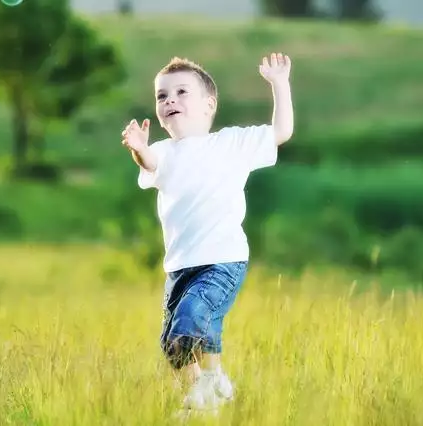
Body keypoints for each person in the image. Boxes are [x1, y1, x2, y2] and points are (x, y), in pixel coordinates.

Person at [121, 53, 294, 412]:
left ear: (208, 104)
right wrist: (139, 149)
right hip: (180, 266)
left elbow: (281, 132)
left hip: (222, 260)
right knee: (173, 342)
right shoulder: (162, 152)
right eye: (162, 96)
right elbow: (150, 164)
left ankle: (206, 386)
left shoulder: (230, 143)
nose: (170, 100)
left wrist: (279, 84)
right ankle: (206, 393)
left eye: (181, 92)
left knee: (192, 318)